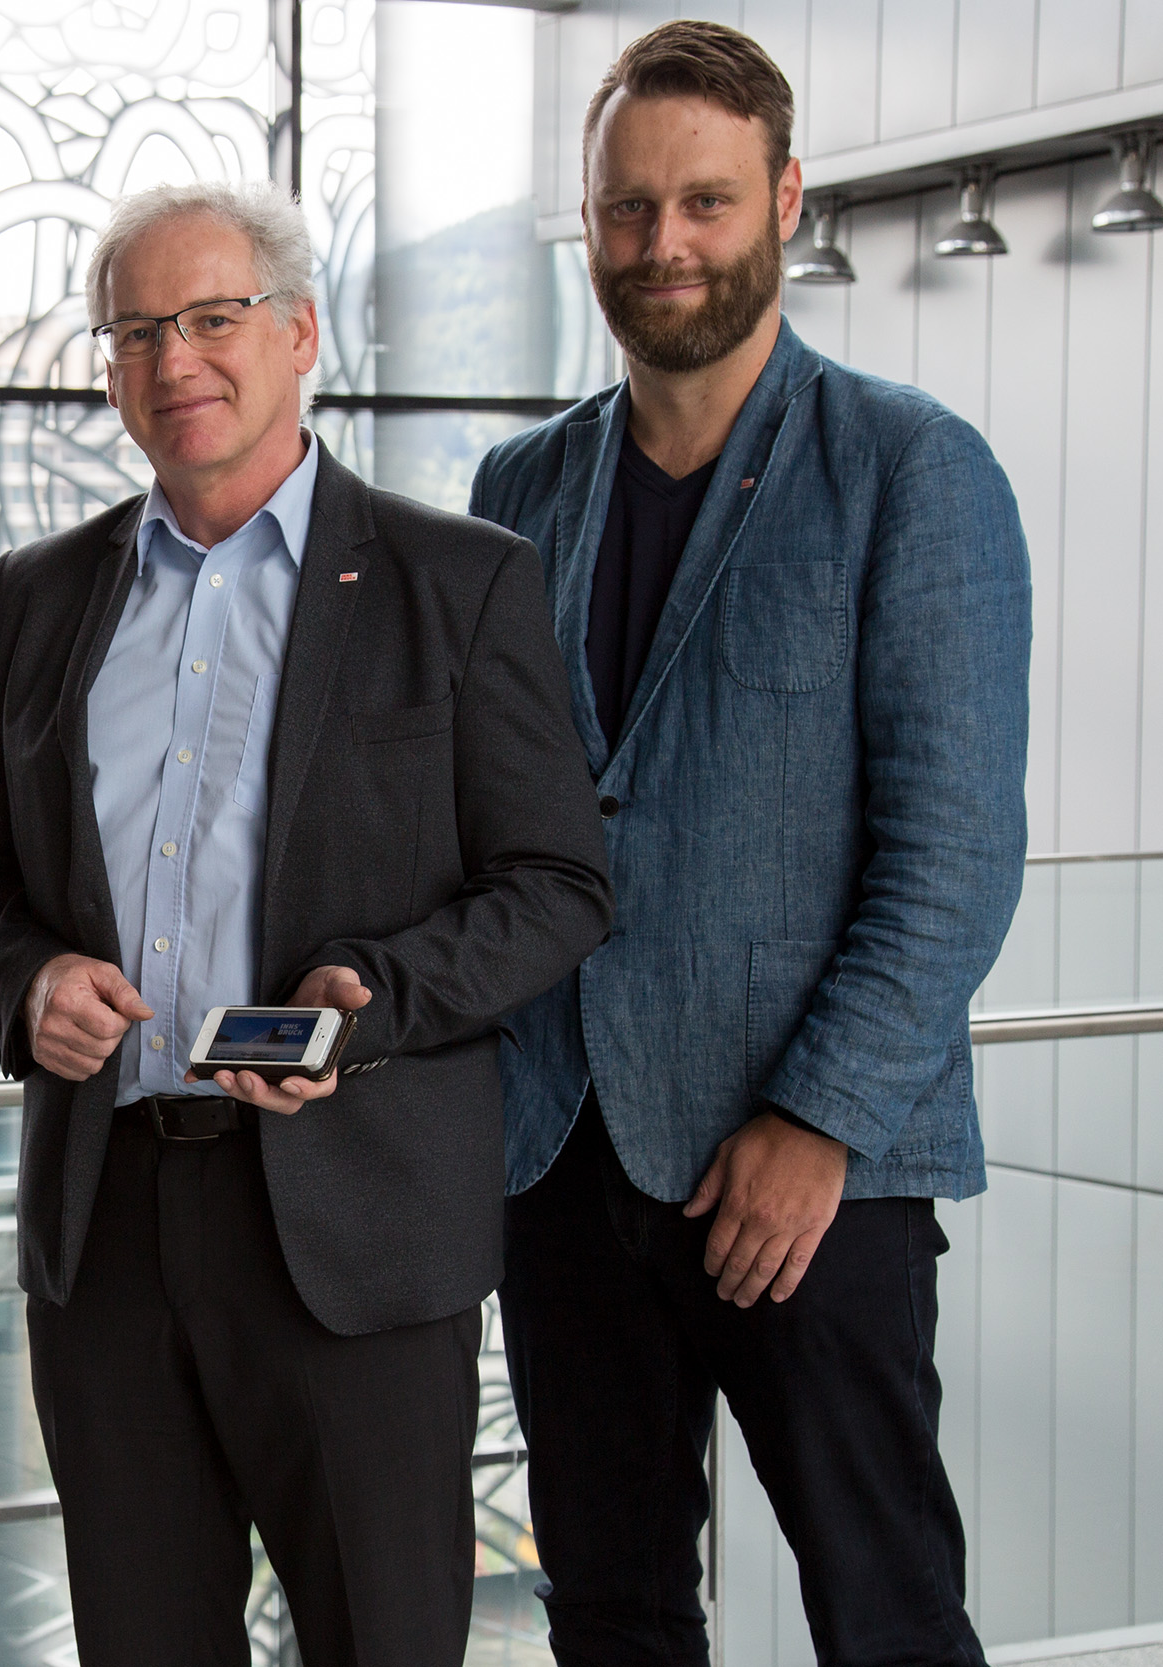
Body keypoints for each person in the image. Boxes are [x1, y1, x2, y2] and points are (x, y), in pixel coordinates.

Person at [0, 180, 615, 1667]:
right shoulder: (42, 596)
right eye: (136, 330)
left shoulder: (461, 582)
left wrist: (372, 991)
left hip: (357, 1223)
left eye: (212, 317)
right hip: (106, 1224)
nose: (175, 358)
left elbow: (560, 885)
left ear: (300, 332)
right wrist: (27, 974)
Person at [471, 22, 1029, 1667]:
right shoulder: (519, 486)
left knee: (887, 1614)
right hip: (564, 1155)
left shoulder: (912, 469)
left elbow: (957, 850)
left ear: (784, 200)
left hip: (816, 1177)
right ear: (588, 224)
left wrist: (819, 1116)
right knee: (616, 1615)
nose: (664, 247)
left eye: (704, 204)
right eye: (628, 211)